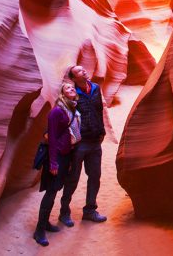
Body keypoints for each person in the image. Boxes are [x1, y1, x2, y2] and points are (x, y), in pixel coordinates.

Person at [59, 64, 108, 225]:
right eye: (79, 71)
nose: (84, 71)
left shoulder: (95, 88)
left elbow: (99, 110)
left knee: (95, 176)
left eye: (83, 69)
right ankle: (64, 212)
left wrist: (101, 130)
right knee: (72, 178)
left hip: (95, 140)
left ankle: (90, 210)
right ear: (73, 78)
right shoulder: (72, 94)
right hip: (80, 143)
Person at [34, 82, 79, 246]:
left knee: (56, 189)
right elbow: (52, 138)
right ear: (62, 93)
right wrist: (53, 163)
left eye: (73, 87)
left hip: (65, 155)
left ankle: (45, 223)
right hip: (57, 156)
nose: (71, 89)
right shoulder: (57, 111)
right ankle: (39, 230)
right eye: (67, 88)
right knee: (51, 191)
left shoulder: (71, 108)